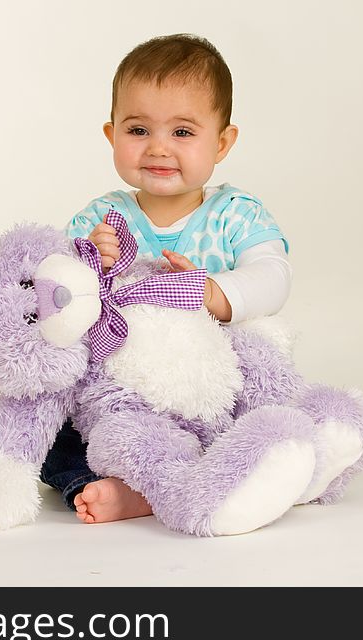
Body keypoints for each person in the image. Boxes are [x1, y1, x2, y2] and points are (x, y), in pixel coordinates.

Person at [39, 33, 292, 524]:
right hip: (122, 386)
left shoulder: (235, 214)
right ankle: (111, 486)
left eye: (182, 132)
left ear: (221, 142)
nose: (158, 148)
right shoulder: (102, 217)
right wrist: (91, 260)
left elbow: (274, 276)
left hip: (208, 383)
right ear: (112, 135)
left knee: (257, 416)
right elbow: (57, 291)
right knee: (56, 432)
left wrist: (215, 292)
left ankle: (218, 475)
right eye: (138, 130)